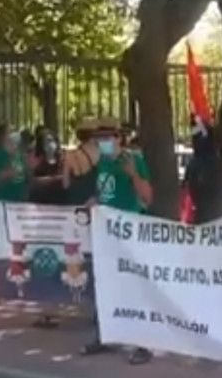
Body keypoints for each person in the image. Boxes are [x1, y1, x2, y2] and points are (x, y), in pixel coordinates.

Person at [81, 118, 153, 364]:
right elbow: (105, 192)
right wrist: (95, 201)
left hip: (129, 234)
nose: (102, 142)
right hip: (106, 234)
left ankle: (143, 342)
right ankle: (105, 334)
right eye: (99, 139)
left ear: (118, 138)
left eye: (107, 138)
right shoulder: (102, 162)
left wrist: (133, 175)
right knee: (105, 283)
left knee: (134, 286)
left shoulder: (133, 160)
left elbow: (147, 196)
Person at [0, 124, 29, 203]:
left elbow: (26, 176)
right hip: (1, 201)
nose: (14, 134)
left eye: (14, 131)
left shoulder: (19, 155)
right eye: (10, 132)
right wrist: (8, 173)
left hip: (19, 201)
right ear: (1, 137)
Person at [63, 120, 100, 205]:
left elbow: (65, 184)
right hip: (96, 202)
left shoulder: (70, 155)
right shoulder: (102, 154)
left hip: (75, 201)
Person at [30, 126, 64, 204]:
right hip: (41, 202)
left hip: (59, 201)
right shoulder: (37, 162)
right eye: (46, 141)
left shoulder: (63, 161)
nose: (50, 144)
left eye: (52, 140)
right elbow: (32, 182)